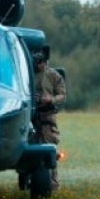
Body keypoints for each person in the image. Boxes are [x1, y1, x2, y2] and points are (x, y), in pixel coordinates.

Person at [31, 45, 66, 187]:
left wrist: (50, 100)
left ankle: (52, 180)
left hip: (47, 115)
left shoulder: (53, 76)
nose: (39, 65)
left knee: (49, 145)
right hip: (30, 115)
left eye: (41, 62)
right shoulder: (26, 73)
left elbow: (63, 95)